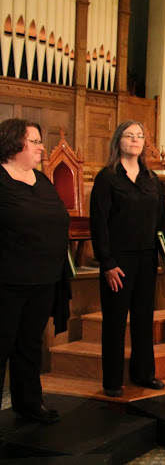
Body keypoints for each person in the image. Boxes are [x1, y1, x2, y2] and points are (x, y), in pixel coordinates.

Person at [90, 120, 165, 397]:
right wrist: (107, 262)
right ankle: (113, 380)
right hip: (119, 260)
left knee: (143, 318)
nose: (135, 140)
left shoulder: (151, 178)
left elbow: (162, 221)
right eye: (129, 135)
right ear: (118, 141)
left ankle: (144, 373)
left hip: (147, 258)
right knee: (115, 320)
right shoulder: (107, 177)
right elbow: (99, 222)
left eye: (140, 136)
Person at [0, 119, 70, 424]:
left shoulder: (41, 180)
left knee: (30, 343)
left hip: (44, 278)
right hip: (7, 280)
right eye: (35, 141)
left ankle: (28, 402)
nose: (41, 147)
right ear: (14, 144)